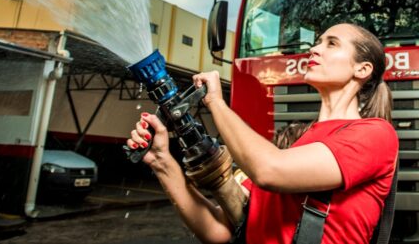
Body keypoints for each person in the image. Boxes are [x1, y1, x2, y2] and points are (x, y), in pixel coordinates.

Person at [126, 23, 398, 244]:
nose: (314, 49)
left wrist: (216, 103)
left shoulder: (375, 135)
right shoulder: (295, 147)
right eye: (318, 41)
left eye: (332, 43)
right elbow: (219, 229)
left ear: (362, 69)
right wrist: (161, 161)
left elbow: (269, 170)